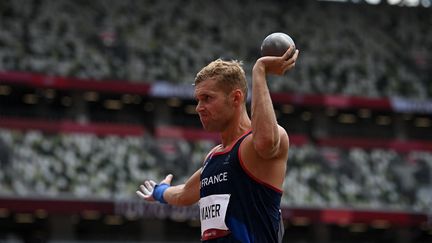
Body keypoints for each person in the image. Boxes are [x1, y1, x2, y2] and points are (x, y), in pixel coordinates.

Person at [137, 45, 299, 242]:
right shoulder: (214, 156)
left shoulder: (256, 145)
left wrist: (260, 71)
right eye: (198, 100)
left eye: (207, 98)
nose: (198, 108)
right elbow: (185, 193)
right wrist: (159, 191)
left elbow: (265, 141)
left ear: (236, 98)